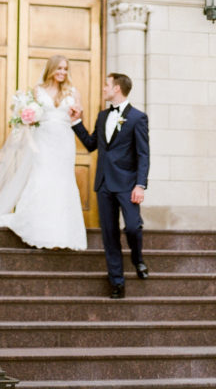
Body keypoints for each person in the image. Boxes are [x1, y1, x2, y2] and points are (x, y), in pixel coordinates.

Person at [0, 55, 87, 251]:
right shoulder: (38, 91)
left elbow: (78, 116)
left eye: (65, 69)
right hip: (43, 141)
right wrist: (28, 117)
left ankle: (62, 232)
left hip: (64, 141)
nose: (62, 72)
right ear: (51, 69)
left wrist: (78, 114)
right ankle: (39, 229)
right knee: (42, 179)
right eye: (59, 68)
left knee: (63, 181)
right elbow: (31, 115)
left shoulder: (73, 91)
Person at [71, 72, 150, 298]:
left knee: (133, 227)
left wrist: (140, 185)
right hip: (104, 184)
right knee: (109, 234)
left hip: (127, 185)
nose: (103, 88)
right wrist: (76, 121)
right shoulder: (103, 116)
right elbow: (91, 144)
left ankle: (137, 259)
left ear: (117, 88)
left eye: (107, 85)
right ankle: (117, 281)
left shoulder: (138, 118)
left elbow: (143, 155)